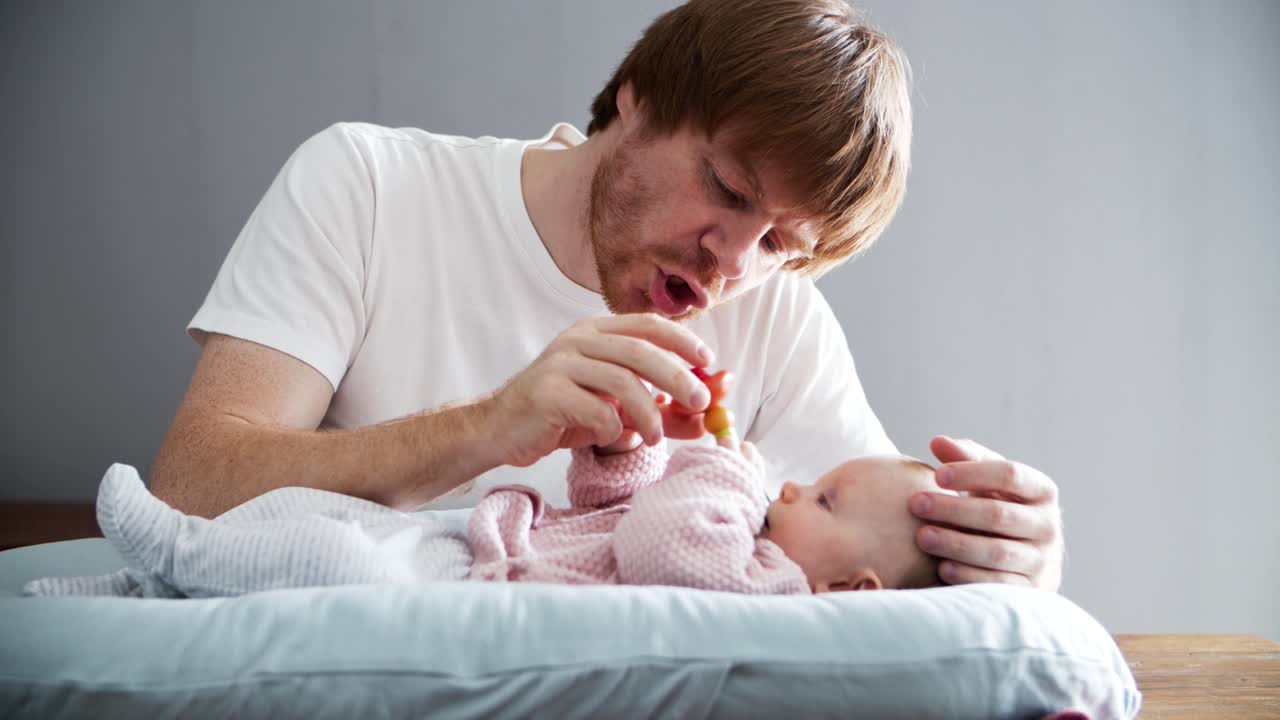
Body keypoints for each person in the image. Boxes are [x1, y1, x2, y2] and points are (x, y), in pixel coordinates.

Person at [149, 0, 1064, 591]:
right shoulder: (368, 185)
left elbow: (884, 578)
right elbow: (189, 487)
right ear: (635, 95)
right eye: (730, 188)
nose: (732, 263)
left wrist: (1012, 558)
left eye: (781, 241)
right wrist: (489, 427)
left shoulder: (777, 318)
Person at [26, 426, 944, 598]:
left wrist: (720, 468)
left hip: (474, 583)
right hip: (475, 541)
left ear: (854, 586)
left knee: (334, 563)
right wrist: (624, 453)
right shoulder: (747, 530)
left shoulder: (769, 582)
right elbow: (616, 509)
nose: (789, 488)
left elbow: (662, 542)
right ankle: (128, 587)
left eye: (821, 498)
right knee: (314, 508)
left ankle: (179, 553)